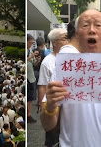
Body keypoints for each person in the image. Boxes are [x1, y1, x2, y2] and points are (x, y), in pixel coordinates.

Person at [40, 9, 101, 147]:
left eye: (98, 25)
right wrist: (50, 106)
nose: (92, 30)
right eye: (85, 25)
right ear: (77, 35)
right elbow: (47, 125)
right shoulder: (66, 68)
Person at [38, 28, 68, 147]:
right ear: (54, 42)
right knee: (52, 138)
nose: (68, 41)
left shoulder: (70, 59)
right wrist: (43, 108)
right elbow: (42, 86)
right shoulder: (48, 62)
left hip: (65, 110)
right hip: (53, 108)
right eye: (64, 39)